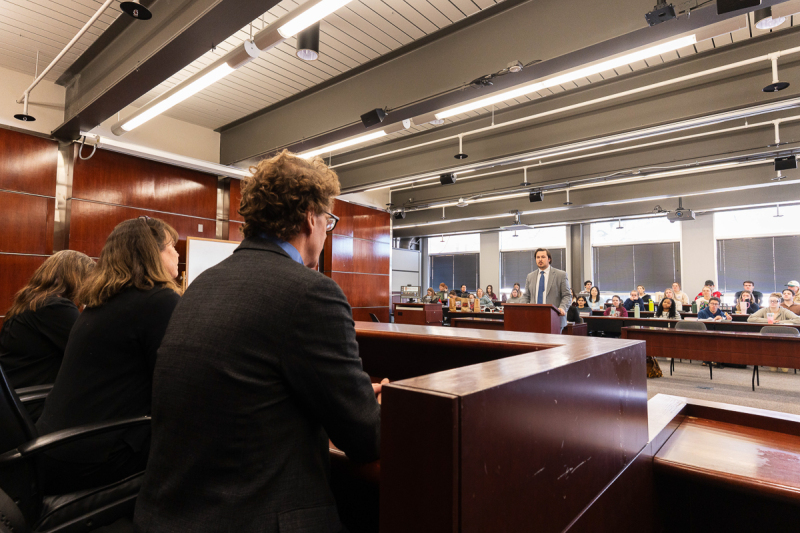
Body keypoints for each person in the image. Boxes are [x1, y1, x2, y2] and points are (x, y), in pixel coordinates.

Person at [134, 151, 383, 533]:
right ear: (309, 218)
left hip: (171, 514)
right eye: (327, 222)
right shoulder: (312, 293)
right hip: (254, 516)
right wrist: (376, 404)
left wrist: (345, 393)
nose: (325, 233)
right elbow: (366, 439)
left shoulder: (202, 285)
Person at [36, 217, 183, 494]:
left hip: (53, 448)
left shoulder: (100, 301)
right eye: (170, 246)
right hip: (92, 457)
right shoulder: (158, 301)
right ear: (151, 254)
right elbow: (173, 384)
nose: (177, 253)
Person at [0, 251, 94, 392]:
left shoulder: (33, 303)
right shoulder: (55, 307)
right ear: (76, 278)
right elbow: (92, 351)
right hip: (36, 402)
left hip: (17, 398)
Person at [520, 248, 572, 328]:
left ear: (549, 259)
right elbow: (526, 296)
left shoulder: (561, 275)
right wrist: (522, 309)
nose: (540, 259)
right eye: (538, 257)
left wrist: (562, 308)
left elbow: (567, 295)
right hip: (534, 318)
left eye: (543, 257)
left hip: (554, 319)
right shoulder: (530, 276)